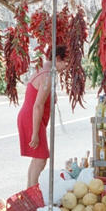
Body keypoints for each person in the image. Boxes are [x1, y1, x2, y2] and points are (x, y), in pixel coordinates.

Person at [17, 46, 68, 188]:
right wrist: (35, 133)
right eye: (66, 63)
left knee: (37, 158)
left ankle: (29, 189)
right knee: (41, 158)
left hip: (31, 117)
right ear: (58, 59)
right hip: (32, 118)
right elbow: (38, 105)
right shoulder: (48, 76)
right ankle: (32, 190)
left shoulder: (45, 70)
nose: (66, 67)